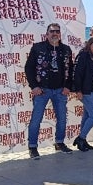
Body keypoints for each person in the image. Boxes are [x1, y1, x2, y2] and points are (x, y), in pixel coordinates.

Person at [24, 23, 75, 160]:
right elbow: (29, 68)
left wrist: (68, 86)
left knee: (62, 118)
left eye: (57, 31)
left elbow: (70, 70)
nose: (55, 34)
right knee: (36, 119)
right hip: (42, 90)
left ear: (60, 34)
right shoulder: (37, 47)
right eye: (52, 31)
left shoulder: (66, 49)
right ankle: (33, 146)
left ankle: (59, 143)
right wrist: (34, 86)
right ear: (46, 34)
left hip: (60, 90)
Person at [72, 37, 93, 152]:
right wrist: (78, 90)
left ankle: (83, 141)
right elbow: (77, 74)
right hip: (85, 90)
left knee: (87, 115)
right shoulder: (83, 55)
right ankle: (81, 138)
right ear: (89, 44)